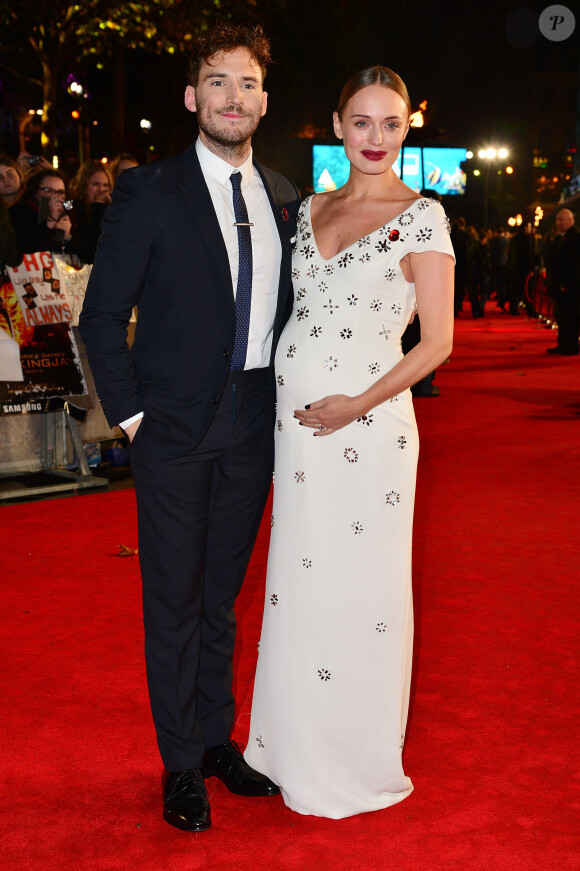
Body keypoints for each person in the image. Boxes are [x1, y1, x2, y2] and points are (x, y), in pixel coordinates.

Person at [79, 22, 300, 833]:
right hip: (169, 428)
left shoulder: (283, 194)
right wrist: (133, 418)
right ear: (191, 97)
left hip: (252, 423)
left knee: (220, 599)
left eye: (246, 84)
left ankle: (215, 741)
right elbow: (103, 319)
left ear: (264, 100)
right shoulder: (149, 191)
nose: (232, 98)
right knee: (172, 599)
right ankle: (178, 764)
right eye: (217, 82)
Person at [244, 65, 454, 818]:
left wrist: (357, 403)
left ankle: (352, 758)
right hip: (297, 435)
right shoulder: (307, 210)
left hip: (370, 432)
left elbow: (437, 343)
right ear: (337, 126)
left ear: (407, 129)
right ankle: (287, 746)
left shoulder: (422, 215)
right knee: (299, 581)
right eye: (360, 122)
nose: (375, 138)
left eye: (390, 124)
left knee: (361, 592)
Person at [9, 169, 74, 254]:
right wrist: (50, 222)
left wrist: (67, 237)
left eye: (60, 192)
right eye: (48, 190)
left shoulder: (69, 215)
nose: (55, 196)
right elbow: (27, 247)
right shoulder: (20, 211)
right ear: (35, 192)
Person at [544, 208, 580, 356]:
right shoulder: (559, 238)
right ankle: (562, 343)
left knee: (570, 317)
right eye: (557, 220)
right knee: (561, 316)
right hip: (558, 285)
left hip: (570, 287)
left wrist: (566, 283)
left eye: (562, 220)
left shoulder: (575, 237)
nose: (559, 223)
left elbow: (574, 263)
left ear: (571, 221)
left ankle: (571, 345)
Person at [69, 160, 113, 263]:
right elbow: (91, 251)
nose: (101, 190)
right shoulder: (74, 212)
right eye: (95, 184)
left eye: (106, 185)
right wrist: (97, 206)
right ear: (84, 186)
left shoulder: (113, 214)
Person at [0, 155, 24, 266]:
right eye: (0, 176)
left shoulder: (33, 206)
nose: (5, 180)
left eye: (10, 174)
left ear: (19, 175)